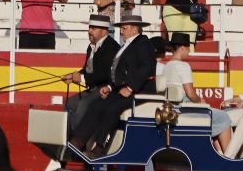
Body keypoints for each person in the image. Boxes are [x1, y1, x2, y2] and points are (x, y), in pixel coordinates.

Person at [70, 10, 157, 157]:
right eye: (122, 28)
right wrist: (109, 87)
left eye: (125, 28)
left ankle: (100, 147)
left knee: (112, 107)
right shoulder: (126, 46)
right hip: (123, 89)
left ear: (135, 29)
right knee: (96, 104)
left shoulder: (143, 44)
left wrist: (130, 87)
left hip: (140, 90)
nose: (121, 31)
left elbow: (146, 67)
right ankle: (78, 141)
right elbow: (117, 72)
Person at [164, 32, 233, 152]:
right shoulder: (183, 66)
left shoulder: (167, 66)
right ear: (181, 48)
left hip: (171, 108)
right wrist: (200, 101)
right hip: (184, 109)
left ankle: (220, 154)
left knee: (215, 118)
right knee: (223, 116)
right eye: (188, 49)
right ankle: (230, 156)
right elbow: (190, 94)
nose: (189, 52)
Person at [62, 13, 120, 135]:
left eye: (93, 28)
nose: (89, 31)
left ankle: (77, 140)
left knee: (84, 104)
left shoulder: (111, 47)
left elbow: (106, 74)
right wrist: (73, 76)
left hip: (106, 90)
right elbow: (87, 69)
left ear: (104, 31)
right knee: (70, 103)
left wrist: (82, 78)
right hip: (93, 89)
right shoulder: (91, 47)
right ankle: (67, 136)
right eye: (89, 28)